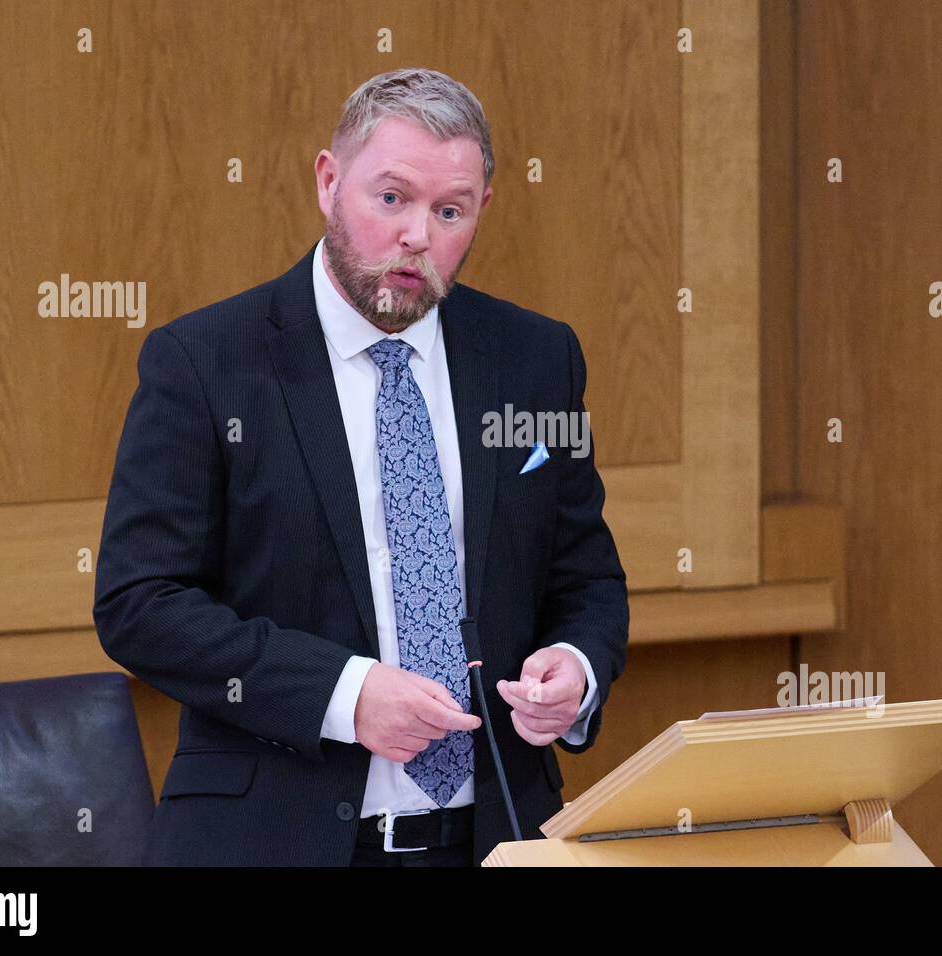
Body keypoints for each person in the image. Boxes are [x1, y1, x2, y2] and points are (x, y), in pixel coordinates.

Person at [93, 67, 629, 866]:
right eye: (391, 199)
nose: (418, 235)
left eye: (448, 211)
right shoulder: (206, 363)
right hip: (278, 839)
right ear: (329, 181)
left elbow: (586, 579)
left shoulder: (535, 360)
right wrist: (345, 696)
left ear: (482, 211)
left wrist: (576, 670)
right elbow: (140, 602)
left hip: (496, 837)